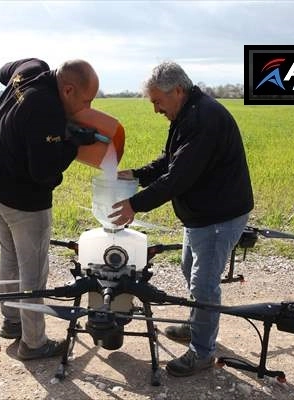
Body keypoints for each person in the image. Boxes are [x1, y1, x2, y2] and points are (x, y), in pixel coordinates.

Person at [109, 61, 254, 377]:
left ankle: (202, 352)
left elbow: (178, 177)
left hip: (220, 215)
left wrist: (134, 204)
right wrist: (138, 175)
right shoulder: (188, 113)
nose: (156, 109)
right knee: (190, 269)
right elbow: (171, 160)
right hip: (201, 215)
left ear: (177, 91)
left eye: (157, 101)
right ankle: (196, 325)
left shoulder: (203, 119)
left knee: (203, 285)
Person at [0, 58, 99, 361]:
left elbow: (2, 72)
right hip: (24, 202)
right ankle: (33, 343)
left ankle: (12, 321)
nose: (88, 107)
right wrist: (71, 144)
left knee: (10, 258)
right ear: (67, 89)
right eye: (86, 100)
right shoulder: (47, 110)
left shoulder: (30, 68)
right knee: (33, 273)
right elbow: (44, 173)